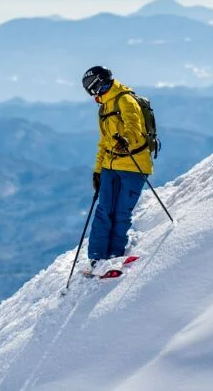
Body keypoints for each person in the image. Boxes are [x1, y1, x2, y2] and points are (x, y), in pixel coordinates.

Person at [81, 66, 153, 273]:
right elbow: (104, 142)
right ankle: (97, 258)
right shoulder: (104, 108)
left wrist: (126, 140)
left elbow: (135, 127)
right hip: (110, 166)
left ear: (98, 83)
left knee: (121, 212)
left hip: (133, 165)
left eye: (92, 88)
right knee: (104, 210)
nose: (92, 94)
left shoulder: (125, 100)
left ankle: (114, 255)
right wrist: (98, 171)